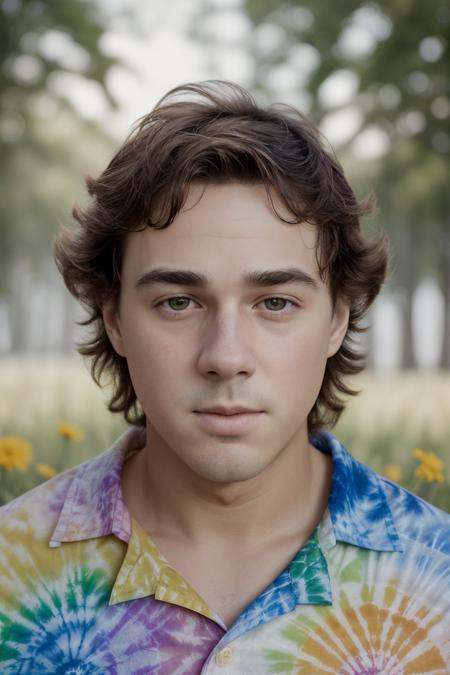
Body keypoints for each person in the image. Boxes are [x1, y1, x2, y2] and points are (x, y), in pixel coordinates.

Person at [0, 80, 448, 674]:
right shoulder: (9, 569)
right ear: (114, 320)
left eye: (275, 303)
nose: (226, 356)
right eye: (179, 302)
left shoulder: (440, 580)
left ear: (338, 318)